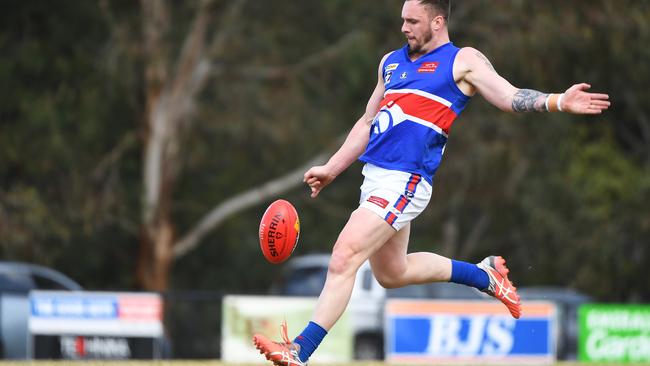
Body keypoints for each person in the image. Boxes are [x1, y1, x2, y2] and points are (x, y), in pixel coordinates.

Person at [253, 0, 610, 365]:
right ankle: (483, 275)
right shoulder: (390, 63)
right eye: (402, 21)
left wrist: (557, 102)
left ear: (438, 21)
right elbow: (367, 122)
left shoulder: (462, 60)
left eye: (413, 21)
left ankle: (300, 349)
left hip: (406, 180)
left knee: (344, 256)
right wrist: (332, 167)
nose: (404, 28)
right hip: (374, 178)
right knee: (393, 273)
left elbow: (509, 96)